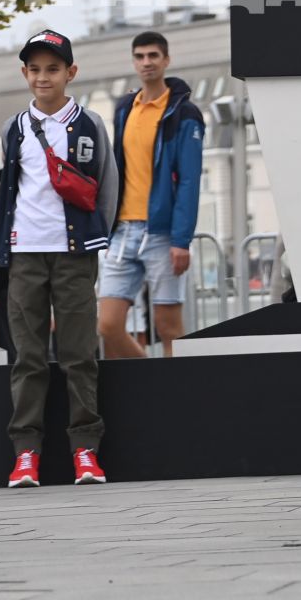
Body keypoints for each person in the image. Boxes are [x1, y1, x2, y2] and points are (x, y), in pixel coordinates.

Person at [0, 30, 118, 489]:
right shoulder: (13, 127)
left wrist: (94, 240)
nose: (43, 77)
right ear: (24, 73)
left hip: (73, 254)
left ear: (71, 73)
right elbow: (8, 192)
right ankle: (26, 454)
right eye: (35, 69)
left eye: (53, 69)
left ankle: (86, 450)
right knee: (27, 355)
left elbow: (107, 185)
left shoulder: (90, 123)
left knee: (78, 353)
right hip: (25, 252)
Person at [99, 31, 206, 359]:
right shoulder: (124, 109)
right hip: (122, 231)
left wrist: (181, 240)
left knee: (169, 326)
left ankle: (179, 399)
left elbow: (189, 180)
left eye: (153, 56)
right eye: (140, 56)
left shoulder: (185, 114)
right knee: (108, 325)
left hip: (162, 234)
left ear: (166, 60)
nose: (147, 62)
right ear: (134, 62)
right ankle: (152, 379)